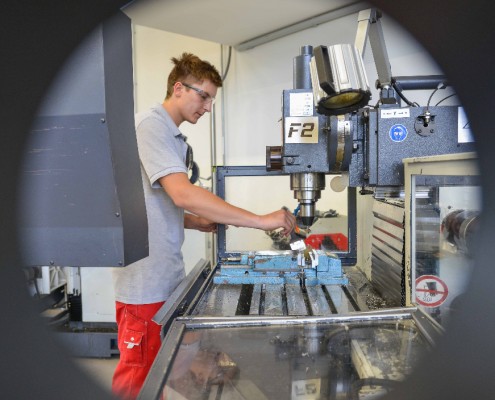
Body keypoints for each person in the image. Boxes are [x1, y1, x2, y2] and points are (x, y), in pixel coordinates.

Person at [111, 52, 296, 399]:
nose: (208, 107)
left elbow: (149, 206)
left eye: (212, 100)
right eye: (204, 96)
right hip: (144, 282)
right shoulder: (150, 126)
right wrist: (260, 221)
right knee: (139, 378)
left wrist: (195, 222)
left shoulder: (173, 137)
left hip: (163, 275)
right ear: (178, 88)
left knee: (155, 377)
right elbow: (182, 193)